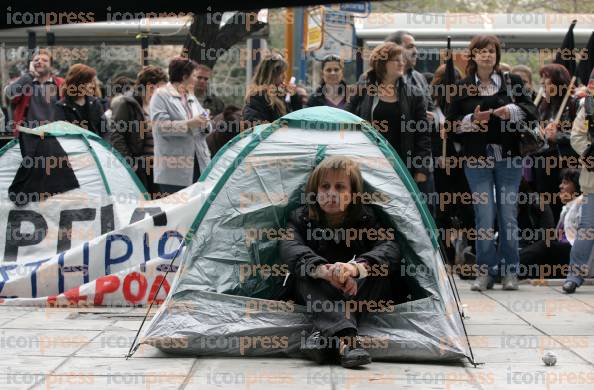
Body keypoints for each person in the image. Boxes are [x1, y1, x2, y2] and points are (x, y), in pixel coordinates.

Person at [280, 156, 400, 368]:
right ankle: (347, 342)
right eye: (325, 187)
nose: (331, 194)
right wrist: (324, 271)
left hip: (358, 288)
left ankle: (326, 339)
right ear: (315, 192)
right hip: (318, 287)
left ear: (353, 194)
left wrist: (354, 269)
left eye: (340, 187)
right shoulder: (300, 218)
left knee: (378, 273)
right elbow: (290, 249)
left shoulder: (367, 219)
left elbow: (389, 248)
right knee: (305, 274)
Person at [446, 35, 538, 291]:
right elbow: (450, 126)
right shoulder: (462, 87)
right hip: (476, 160)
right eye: (481, 51)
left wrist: (512, 111)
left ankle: (510, 271)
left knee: (507, 215)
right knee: (484, 216)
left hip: (509, 159)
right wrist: (470, 121)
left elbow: (532, 110)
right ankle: (485, 272)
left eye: (491, 51)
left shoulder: (513, 82)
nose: (487, 55)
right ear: (473, 56)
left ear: (497, 55)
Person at [346, 42, 431, 190]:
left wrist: (421, 169)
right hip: (369, 165)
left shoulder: (414, 94)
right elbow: (347, 121)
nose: (401, 63)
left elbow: (422, 136)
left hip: (403, 166)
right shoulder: (362, 91)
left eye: (402, 60)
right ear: (382, 63)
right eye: (396, 60)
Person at [150, 56, 212, 195]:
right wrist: (189, 124)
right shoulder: (161, 96)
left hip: (199, 163)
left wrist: (205, 124)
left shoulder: (190, 96)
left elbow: (204, 119)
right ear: (185, 76)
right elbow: (161, 127)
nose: (197, 80)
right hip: (174, 170)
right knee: (177, 212)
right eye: (195, 76)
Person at [110, 66, 168, 197]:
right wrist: (130, 164)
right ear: (150, 86)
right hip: (139, 167)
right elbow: (117, 135)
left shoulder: (157, 104)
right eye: (161, 87)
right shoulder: (126, 103)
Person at [534, 64, 580, 220]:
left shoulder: (574, 104)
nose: (543, 83)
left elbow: (581, 136)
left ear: (559, 82)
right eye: (542, 79)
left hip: (564, 163)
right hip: (542, 162)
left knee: (563, 200)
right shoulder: (542, 105)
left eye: (547, 79)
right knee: (545, 202)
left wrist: (558, 136)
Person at [519, 169, 581, 279]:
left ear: (577, 186)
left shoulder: (582, 205)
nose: (560, 186)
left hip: (575, 254)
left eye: (565, 183)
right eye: (561, 182)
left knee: (545, 245)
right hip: (563, 253)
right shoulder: (567, 208)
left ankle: (506, 268)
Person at [562, 91, 594, 293]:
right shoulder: (590, 104)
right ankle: (574, 276)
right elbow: (577, 136)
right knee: (587, 229)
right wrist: (590, 152)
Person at [6, 49, 64, 131]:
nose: (39, 61)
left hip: (54, 135)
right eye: (36, 60)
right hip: (28, 136)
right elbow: (9, 94)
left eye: (45, 60)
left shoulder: (60, 83)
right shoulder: (24, 82)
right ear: (31, 65)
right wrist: (30, 75)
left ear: (51, 66)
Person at [242, 54, 302, 126]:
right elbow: (253, 124)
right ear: (272, 75)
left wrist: (294, 97)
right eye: (281, 73)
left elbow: (297, 118)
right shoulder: (257, 96)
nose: (284, 77)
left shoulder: (280, 95)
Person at [52, 64, 108, 138]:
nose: (93, 86)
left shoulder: (95, 103)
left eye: (93, 82)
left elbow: (105, 131)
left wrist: (103, 146)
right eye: (89, 82)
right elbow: (60, 135)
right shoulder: (61, 107)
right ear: (78, 82)